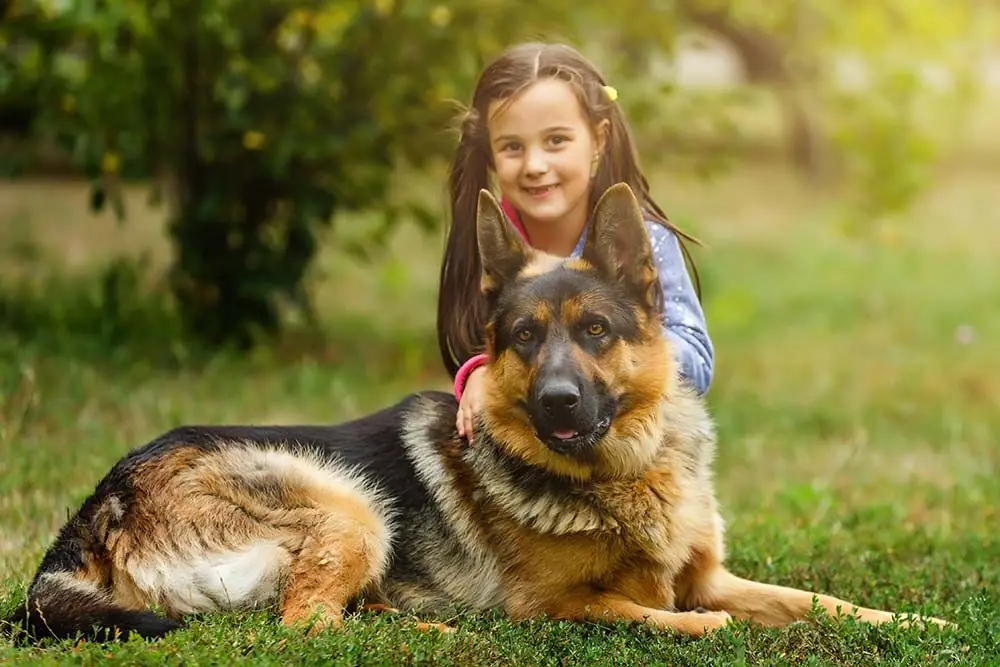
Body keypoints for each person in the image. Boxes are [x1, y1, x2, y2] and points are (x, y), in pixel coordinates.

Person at [436, 42, 714, 444]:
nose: (535, 165)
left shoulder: (639, 239)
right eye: (513, 147)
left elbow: (697, 359)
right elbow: (480, 345)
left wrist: (623, 353)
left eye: (556, 141)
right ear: (491, 156)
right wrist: (479, 370)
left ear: (598, 140)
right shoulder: (495, 243)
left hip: (636, 440)